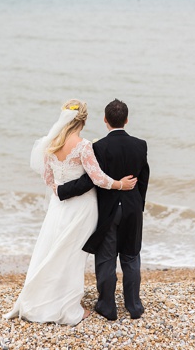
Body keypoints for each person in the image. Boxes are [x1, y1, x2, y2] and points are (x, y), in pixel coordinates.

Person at [3, 99, 137, 325]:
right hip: (83, 208)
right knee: (73, 256)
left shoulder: (51, 145)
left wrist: (59, 190)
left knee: (52, 251)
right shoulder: (84, 146)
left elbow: (48, 179)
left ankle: (43, 297)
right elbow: (98, 179)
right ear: (83, 120)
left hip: (59, 206)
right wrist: (121, 185)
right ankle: (67, 306)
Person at [57, 98, 150, 320]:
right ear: (127, 120)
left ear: (105, 120)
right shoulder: (141, 145)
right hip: (132, 208)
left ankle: (108, 306)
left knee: (107, 258)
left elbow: (91, 180)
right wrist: (139, 204)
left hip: (108, 210)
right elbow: (144, 177)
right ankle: (134, 306)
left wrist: (62, 191)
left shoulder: (98, 147)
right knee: (131, 256)